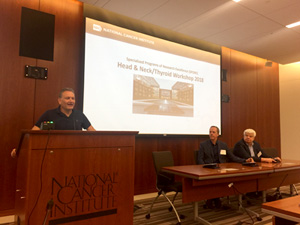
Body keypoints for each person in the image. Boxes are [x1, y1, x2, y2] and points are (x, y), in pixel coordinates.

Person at [11, 87, 95, 157]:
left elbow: (93, 132)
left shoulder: (79, 115)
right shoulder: (49, 114)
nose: (71, 101)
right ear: (59, 100)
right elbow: (33, 133)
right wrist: (20, 149)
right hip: (54, 154)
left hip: (76, 153)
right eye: (67, 98)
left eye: (73, 98)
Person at [197, 126, 253, 209]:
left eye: (213, 132)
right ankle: (215, 198)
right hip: (208, 169)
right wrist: (204, 169)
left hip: (221, 169)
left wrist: (245, 160)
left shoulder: (223, 145)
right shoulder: (203, 145)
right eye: (210, 132)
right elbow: (200, 159)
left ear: (218, 134)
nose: (211, 134)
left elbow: (232, 157)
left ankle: (215, 198)